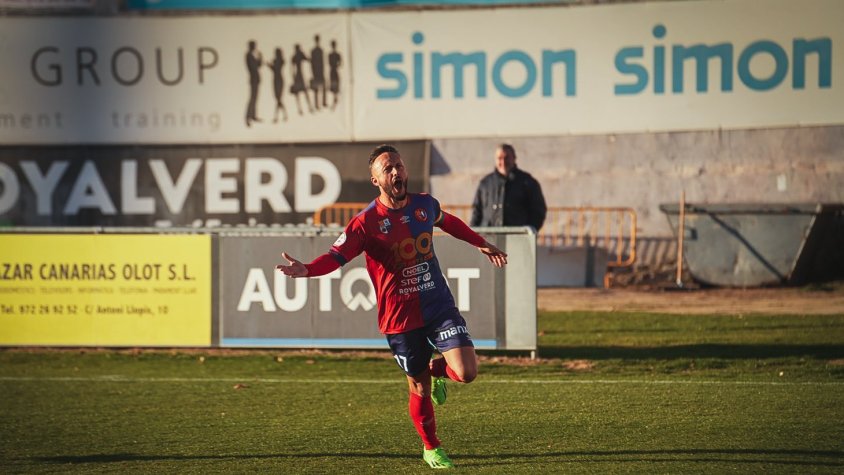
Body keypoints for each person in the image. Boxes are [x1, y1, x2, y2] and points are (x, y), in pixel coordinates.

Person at [276, 144, 508, 470]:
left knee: (467, 372)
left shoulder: (425, 204)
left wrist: (480, 243)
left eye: (398, 165)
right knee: (419, 389)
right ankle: (431, 447)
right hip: (400, 319)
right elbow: (336, 256)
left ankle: (434, 370)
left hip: (437, 304)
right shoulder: (365, 223)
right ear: (376, 181)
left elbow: (449, 222)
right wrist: (308, 269)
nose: (396, 172)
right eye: (388, 169)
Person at [470, 143, 547, 231]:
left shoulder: (528, 182)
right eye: (500, 158)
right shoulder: (485, 184)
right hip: (489, 239)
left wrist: (528, 232)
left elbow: (538, 211)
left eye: (506, 158)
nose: (503, 162)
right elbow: (476, 211)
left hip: (518, 239)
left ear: (514, 159)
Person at [245, 40, 263, 127]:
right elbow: (254, 66)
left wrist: (260, 58)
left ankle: (253, 116)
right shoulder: (249, 55)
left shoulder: (251, 55)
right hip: (253, 79)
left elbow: (258, 65)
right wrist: (258, 59)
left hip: (255, 79)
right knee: (252, 98)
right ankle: (248, 117)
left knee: (255, 98)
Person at [267, 47, 288, 123]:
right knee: (278, 99)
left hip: (278, 80)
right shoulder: (278, 60)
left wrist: (270, 65)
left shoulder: (280, 60)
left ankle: (278, 116)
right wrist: (270, 65)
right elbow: (274, 69)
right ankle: (282, 116)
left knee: (278, 99)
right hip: (276, 80)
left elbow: (275, 69)